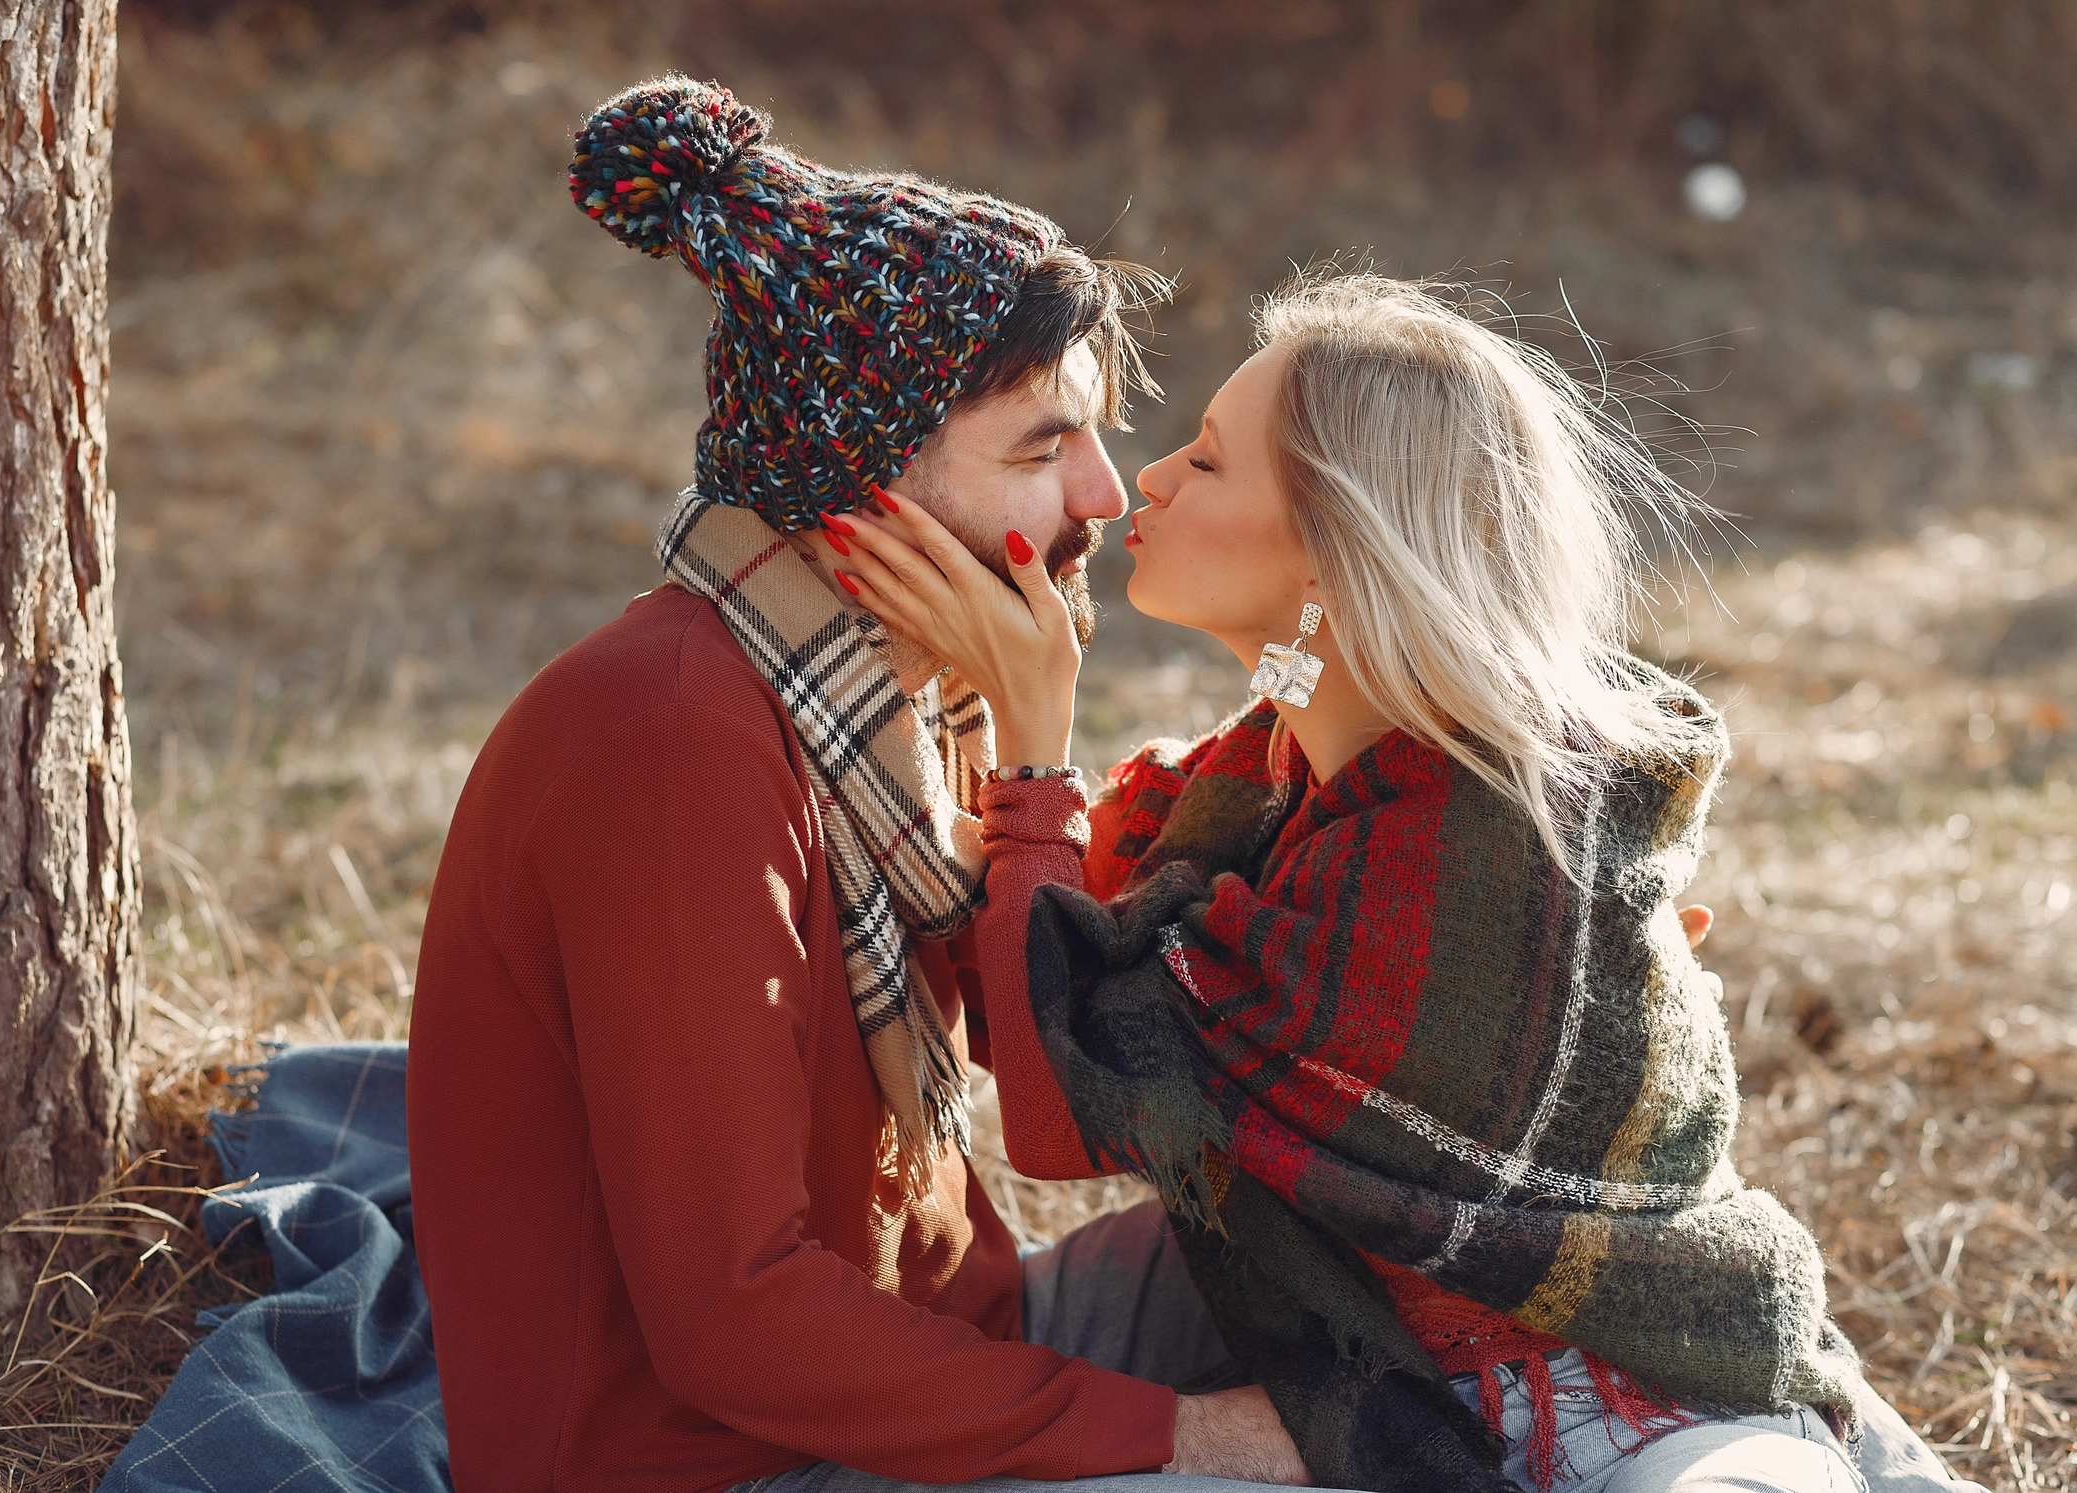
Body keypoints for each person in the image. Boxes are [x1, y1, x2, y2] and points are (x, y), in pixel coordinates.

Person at [835, 275, 1982, 1493]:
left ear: (1337, 548)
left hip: (1641, 1410)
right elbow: (1056, 952)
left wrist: (1031, 733)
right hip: (1414, 1405)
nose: (1142, 480)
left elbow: (1069, 1086)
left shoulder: (1484, 838)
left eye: (1210, 462)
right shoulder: (1259, 785)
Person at [407, 74, 1324, 1493]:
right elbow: (734, 1322)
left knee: (1385, 1271)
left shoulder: (902, 689)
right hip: (723, 1460)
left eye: (1090, 430)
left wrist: (1033, 753)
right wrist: (1186, 1440)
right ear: (857, 495)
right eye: (1040, 446)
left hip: (949, 1347)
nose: (1101, 492)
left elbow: (1045, 1079)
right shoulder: (670, 740)